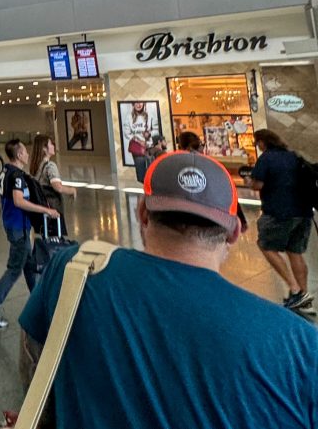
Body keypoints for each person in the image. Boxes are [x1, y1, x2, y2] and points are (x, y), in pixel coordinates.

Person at [18, 151, 318, 427]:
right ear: (235, 231)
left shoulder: (72, 269)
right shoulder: (301, 346)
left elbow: (36, 373)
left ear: (143, 213)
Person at [0, 139, 59, 328]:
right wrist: (45, 210)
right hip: (17, 227)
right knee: (15, 268)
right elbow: (18, 201)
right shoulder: (16, 176)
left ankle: (40, 305)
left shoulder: (6, 171)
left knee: (30, 266)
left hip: (15, 226)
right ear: (18, 155)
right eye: (24, 151)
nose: (28, 154)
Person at [250, 129, 313, 309]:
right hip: (303, 211)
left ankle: (294, 289)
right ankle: (303, 295)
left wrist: (250, 182)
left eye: (258, 143)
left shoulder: (267, 158)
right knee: (295, 252)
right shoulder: (293, 156)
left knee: (265, 245)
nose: (258, 146)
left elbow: (257, 184)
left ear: (263, 142)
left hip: (279, 211)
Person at [28, 135, 75, 236]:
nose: (53, 146)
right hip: (53, 209)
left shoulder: (35, 167)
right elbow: (58, 187)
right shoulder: (50, 166)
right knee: (56, 240)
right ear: (44, 149)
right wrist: (72, 190)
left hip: (41, 209)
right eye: (51, 144)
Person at [122, 102, 157, 183]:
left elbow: (156, 129)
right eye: (136, 103)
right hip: (138, 149)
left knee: (152, 172)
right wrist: (138, 140)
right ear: (133, 105)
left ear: (143, 104)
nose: (138, 105)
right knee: (141, 175)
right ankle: (145, 189)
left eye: (140, 103)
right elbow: (127, 133)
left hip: (150, 147)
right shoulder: (129, 117)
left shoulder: (150, 116)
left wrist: (149, 134)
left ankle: (150, 189)